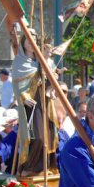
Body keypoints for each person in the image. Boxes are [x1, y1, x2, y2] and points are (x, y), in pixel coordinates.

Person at [11, 31, 58, 176]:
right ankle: (29, 167)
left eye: (35, 40)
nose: (32, 43)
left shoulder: (40, 60)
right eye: (29, 40)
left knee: (48, 135)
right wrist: (23, 96)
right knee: (36, 136)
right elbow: (17, 85)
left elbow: (48, 76)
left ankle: (43, 167)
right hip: (30, 103)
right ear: (23, 42)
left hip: (44, 100)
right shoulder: (19, 62)